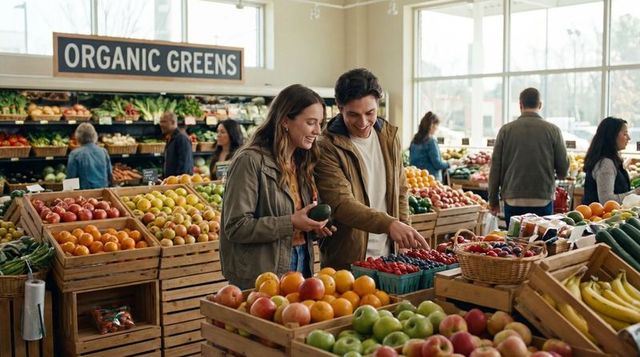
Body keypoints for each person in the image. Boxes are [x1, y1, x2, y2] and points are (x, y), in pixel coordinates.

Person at [219, 84, 334, 289]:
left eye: (320, 123)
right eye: (310, 122)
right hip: (263, 273)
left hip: (302, 261)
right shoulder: (250, 161)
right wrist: (291, 223)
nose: (318, 131)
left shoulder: (302, 162)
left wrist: (313, 226)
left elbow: (294, 216)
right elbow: (236, 226)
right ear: (285, 121)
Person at [314, 68, 429, 270]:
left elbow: (400, 190)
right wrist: (389, 224)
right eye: (353, 115)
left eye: (370, 113)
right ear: (339, 108)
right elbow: (341, 203)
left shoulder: (388, 136)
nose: (363, 122)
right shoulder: (326, 146)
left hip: (388, 256)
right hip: (347, 260)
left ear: (378, 104)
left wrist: (404, 230)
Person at [489, 87, 569, 224]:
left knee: (515, 243)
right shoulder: (553, 130)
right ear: (540, 105)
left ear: (520, 105)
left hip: (513, 197)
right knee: (541, 242)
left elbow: (495, 168)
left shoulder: (506, 130)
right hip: (542, 197)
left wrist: (493, 200)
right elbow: (563, 169)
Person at [582, 117, 640, 204]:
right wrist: (636, 192)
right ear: (612, 136)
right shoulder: (606, 163)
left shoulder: (610, 159)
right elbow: (607, 200)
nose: (629, 138)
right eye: (625, 134)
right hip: (601, 216)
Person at [66, 123, 112, 189]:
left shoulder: (75, 154)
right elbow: (109, 174)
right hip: (103, 191)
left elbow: (70, 180)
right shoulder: (103, 151)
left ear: (78, 137)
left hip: (84, 195)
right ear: (94, 135)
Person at [409, 111, 450, 182]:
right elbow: (438, 164)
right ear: (431, 126)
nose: (437, 128)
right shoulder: (431, 141)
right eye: (437, 125)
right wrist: (450, 163)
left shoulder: (414, 140)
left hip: (417, 179)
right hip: (431, 180)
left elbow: (412, 162)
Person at [160, 112, 193, 177]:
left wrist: (178, 182)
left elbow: (185, 165)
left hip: (178, 183)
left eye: (164, 122)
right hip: (171, 182)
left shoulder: (182, 138)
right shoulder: (170, 137)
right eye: (160, 122)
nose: (161, 124)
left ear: (173, 122)